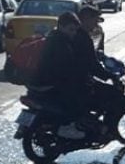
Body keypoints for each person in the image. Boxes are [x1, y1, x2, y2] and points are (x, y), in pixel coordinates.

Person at [34, 11, 87, 139]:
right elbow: (64, 67)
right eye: (71, 29)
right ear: (61, 27)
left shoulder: (51, 37)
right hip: (48, 81)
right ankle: (66, 126)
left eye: (75, 30)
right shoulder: (60, 43)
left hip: (37, 80)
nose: (73, 33)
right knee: (78, 97)